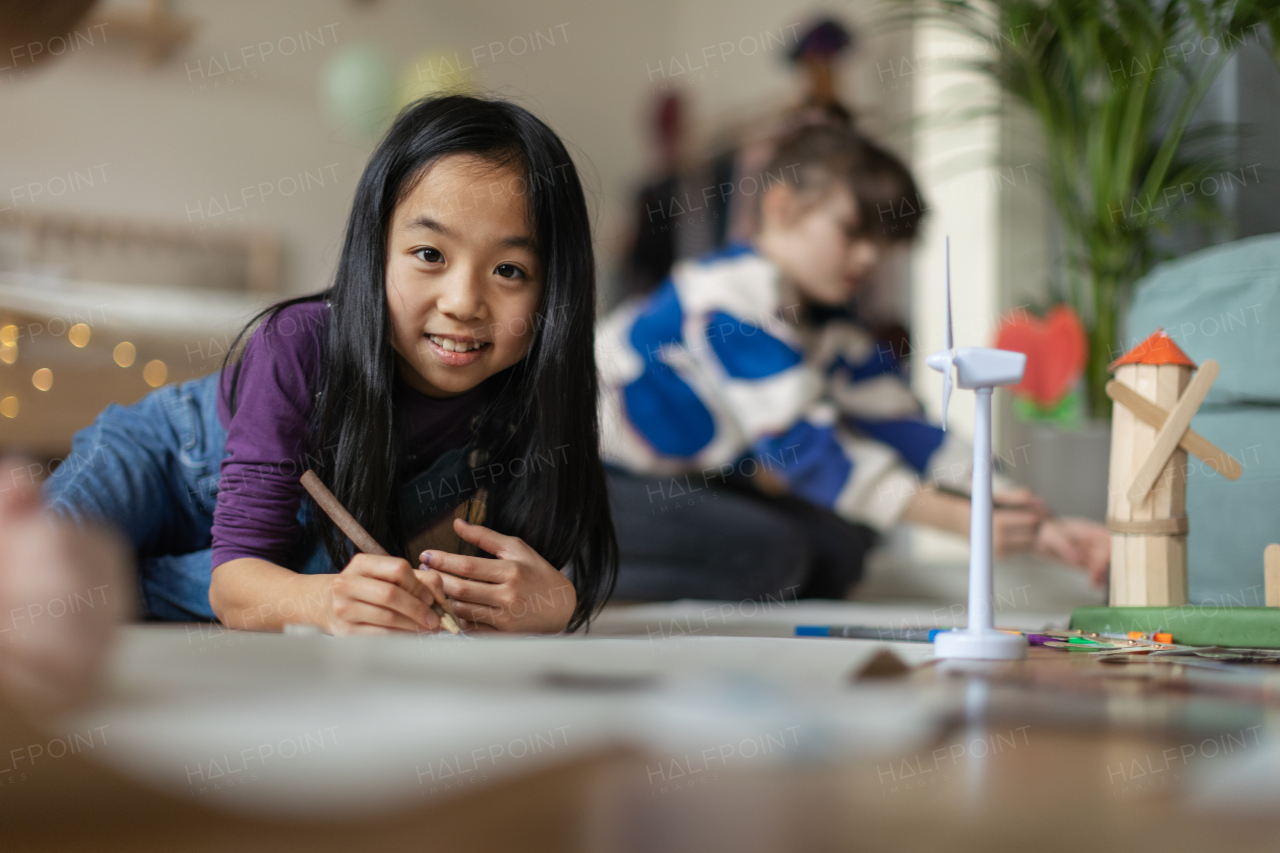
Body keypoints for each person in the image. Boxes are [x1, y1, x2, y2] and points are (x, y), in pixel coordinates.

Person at [44, 95, 617, 634]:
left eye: (510, 270)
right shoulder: (297, 341)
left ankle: (125, 581)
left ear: (555, 290)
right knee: (32, 572)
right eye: (429, 255)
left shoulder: (531, 398)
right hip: (171, 459)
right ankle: (116, 579)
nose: (464, 302)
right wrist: (320, 600)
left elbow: (514, 568)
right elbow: (243, 581)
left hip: (295, 544)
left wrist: (554, 600)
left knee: (308, 569)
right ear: (375, 251)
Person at [597, 122, 1111, 601]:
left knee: (842, 548)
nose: (868, 258)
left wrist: (1035, 521)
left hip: (676, 479)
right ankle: (574, 567)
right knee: (773, 552)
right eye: (851, 232)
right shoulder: (726, 299)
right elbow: (802, 450)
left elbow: (907, 428)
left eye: (883, 245)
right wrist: (962, 521)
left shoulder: (833, 324)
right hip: (592, 478)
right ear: (780, 207)